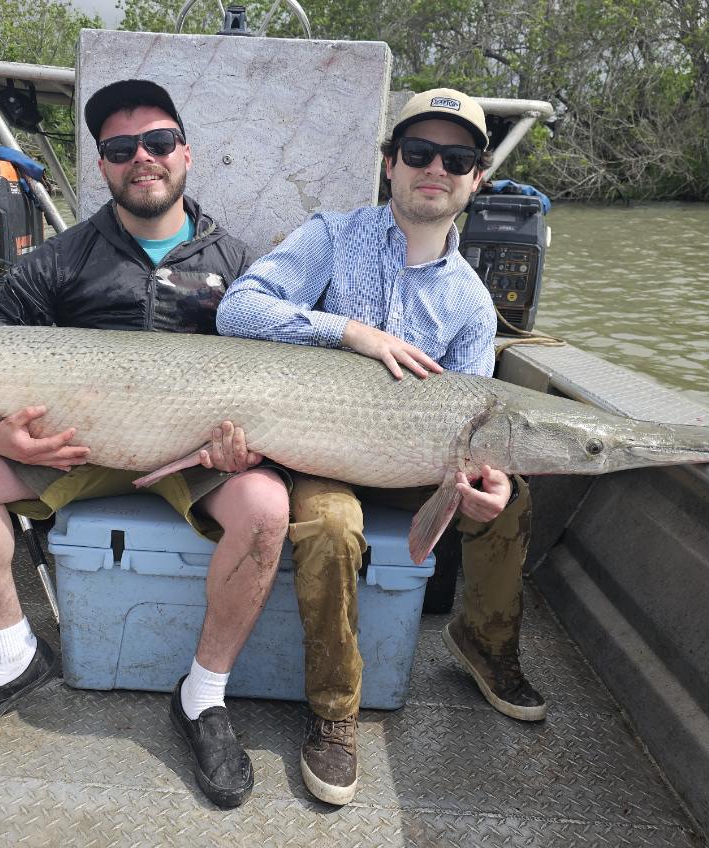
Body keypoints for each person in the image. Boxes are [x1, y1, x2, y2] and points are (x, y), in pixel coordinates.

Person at [0, 79, 291, 810]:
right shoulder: (58, 261)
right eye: (120, 149)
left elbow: (275, 378)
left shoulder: (245, 265)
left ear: (184, 152)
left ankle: (203, 696)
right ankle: (11, 658)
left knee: (268, 504)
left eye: (157, 142)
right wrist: (0, 434)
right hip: (78, 454)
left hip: (190, 460)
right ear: (103, 165)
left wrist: (243, 446)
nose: (141, 159)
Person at [216, 88, 545, 806]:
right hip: (323, 453)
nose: (436, 168)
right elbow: (236, 308)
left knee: (510, 497)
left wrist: (479, 479)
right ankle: (336, 714)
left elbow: (472, 416)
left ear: (476, 178)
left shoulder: (470, 303)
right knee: (333, 528)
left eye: (455, 158)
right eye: (419, 153)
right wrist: (349, 333)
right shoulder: (330, 237)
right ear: (390, 164)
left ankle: (484, 646)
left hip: (419, 463)